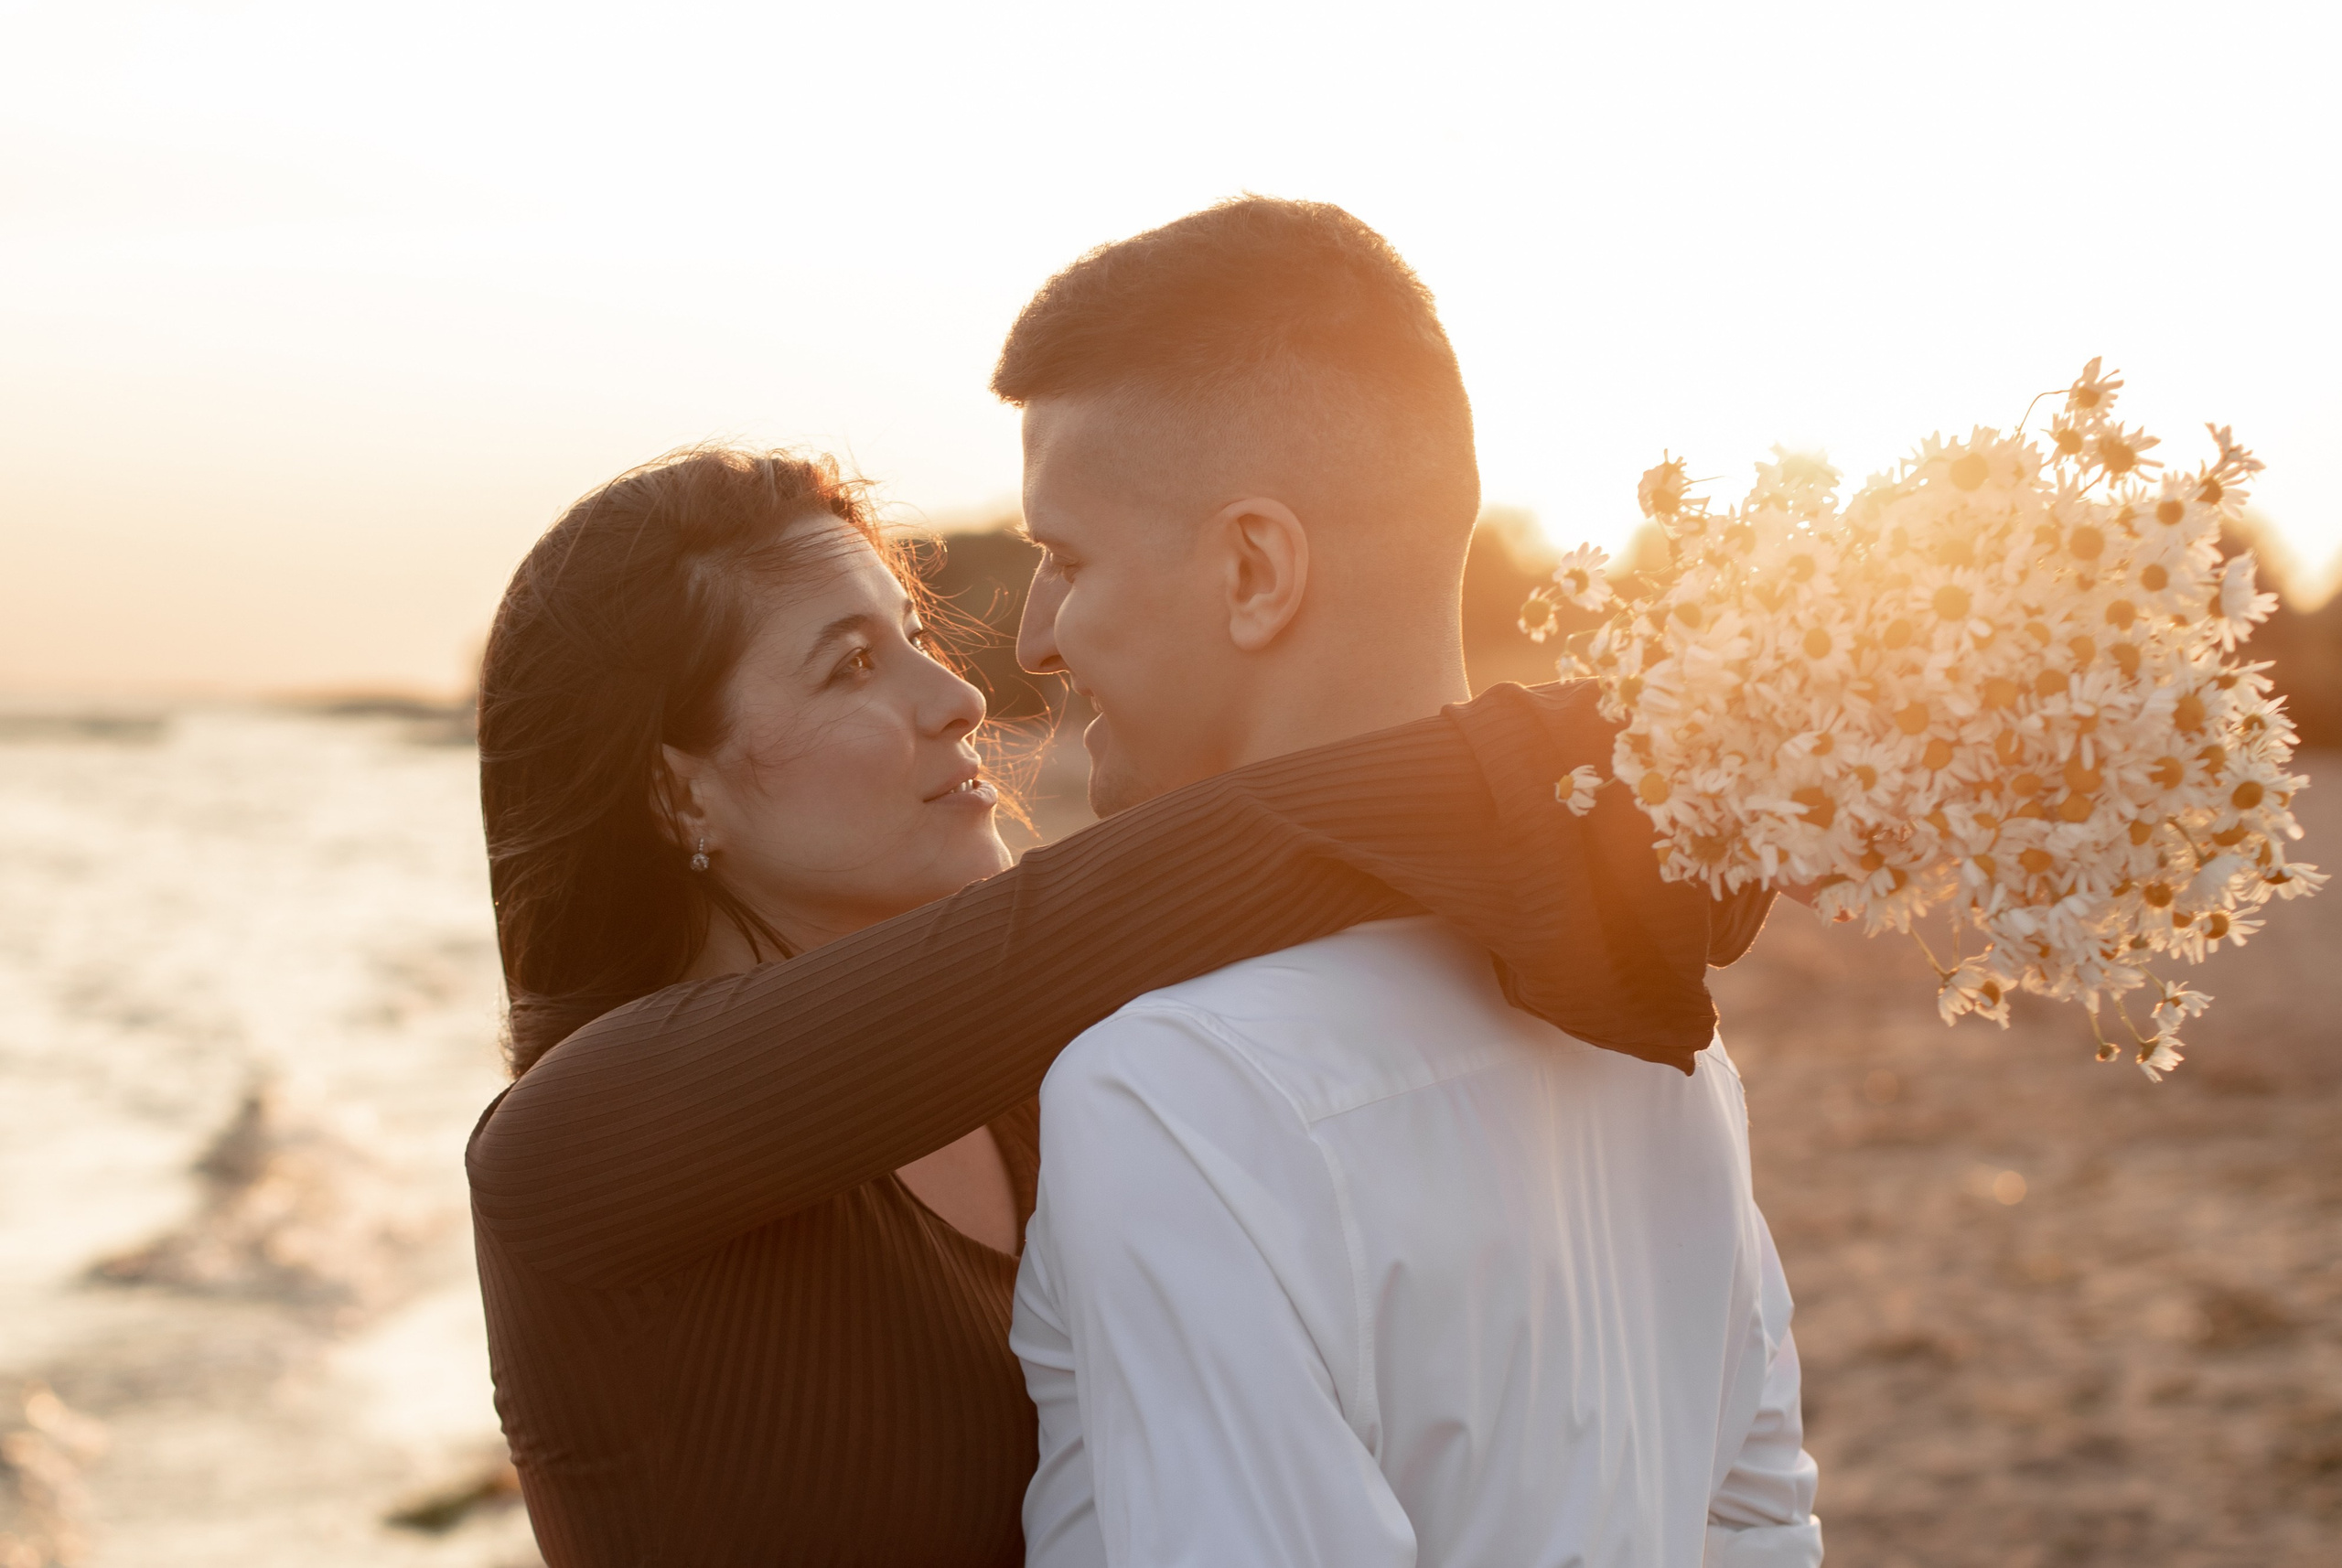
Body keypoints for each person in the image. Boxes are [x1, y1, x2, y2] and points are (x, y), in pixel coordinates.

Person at [466, 447, 1768, 1565]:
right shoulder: (576, 1149)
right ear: (675, 796)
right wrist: (1647, 744)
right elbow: (1122, 902)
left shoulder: (1071, 1086)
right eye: (850, 669)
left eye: (914, 637)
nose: (959, 698)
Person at [997, 197, 1824, 1566]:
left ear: (1255, 570)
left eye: (1064, 558)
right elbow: (1757, 1523)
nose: (1034, 639)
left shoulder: (1175, 1089)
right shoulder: (1657, 1019)